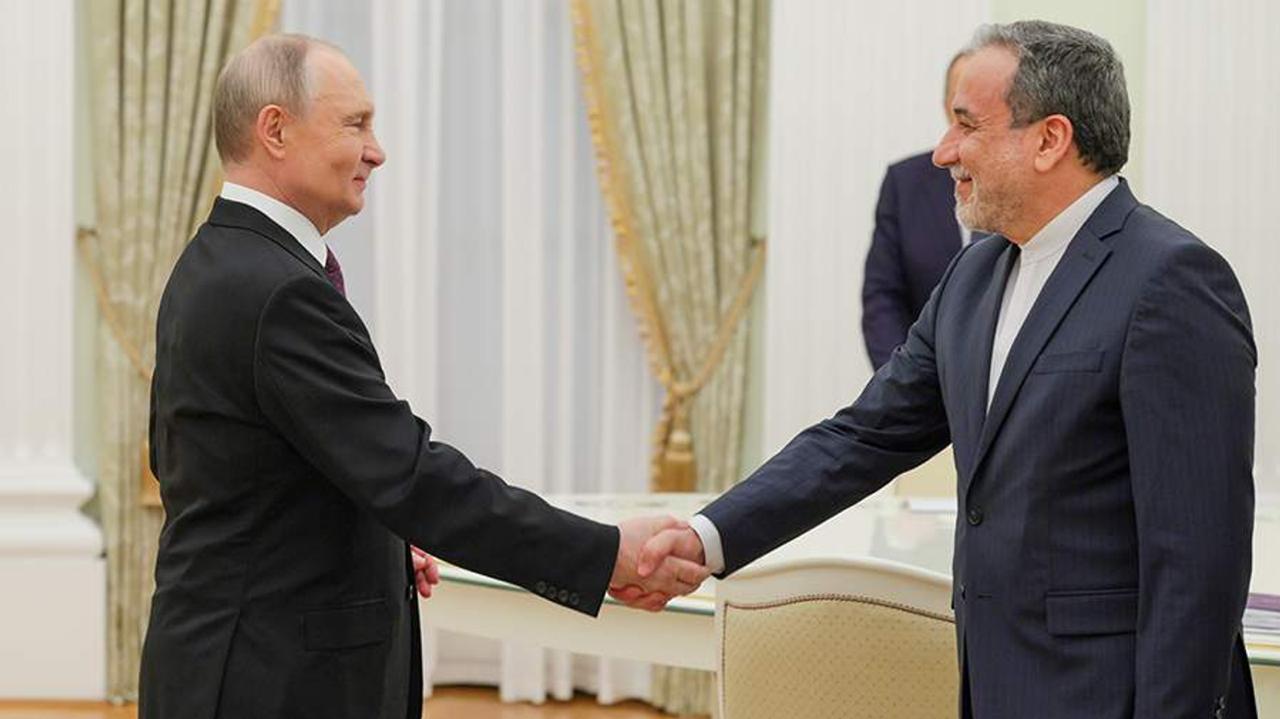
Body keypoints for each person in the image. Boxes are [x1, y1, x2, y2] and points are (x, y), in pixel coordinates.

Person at [634, 20, 1258, 719]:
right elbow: (863, 436)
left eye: (966, 125)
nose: (942, 152)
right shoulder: (973, 275)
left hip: (1111, 696)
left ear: (1050, 139)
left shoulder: (1171, 280)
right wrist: (706, 537)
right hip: (994, 686)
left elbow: (1199, 558)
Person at [139, 34, 705, 719]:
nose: (376, 151)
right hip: (265, 680)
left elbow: (231, 469)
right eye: (355, 124)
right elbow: (409, 474)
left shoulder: (214, 260)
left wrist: (371, 546)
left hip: (226, 661)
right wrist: (605, 553)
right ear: (276, 130)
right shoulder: (279, 290)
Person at [861, 51, 973, 370]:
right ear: (947, 107)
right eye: (963, 106)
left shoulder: (1025, 183)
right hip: (922, 380)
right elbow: (883, 298)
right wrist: (902, 382)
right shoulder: (905, 183)